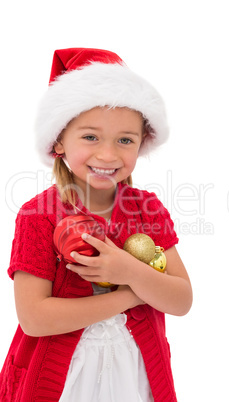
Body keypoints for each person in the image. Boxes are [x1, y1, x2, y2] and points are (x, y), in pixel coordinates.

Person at [0, 48, 192, 402]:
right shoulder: (39, 214)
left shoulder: (147, 210)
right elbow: (35, 319)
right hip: (64, 380)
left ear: (141, 144)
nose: (108, 155)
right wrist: (134, 292)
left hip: (134, 375)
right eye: (90, 137)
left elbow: (181, 300)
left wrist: (129, 271)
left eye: (125, 140)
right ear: (59, 140)